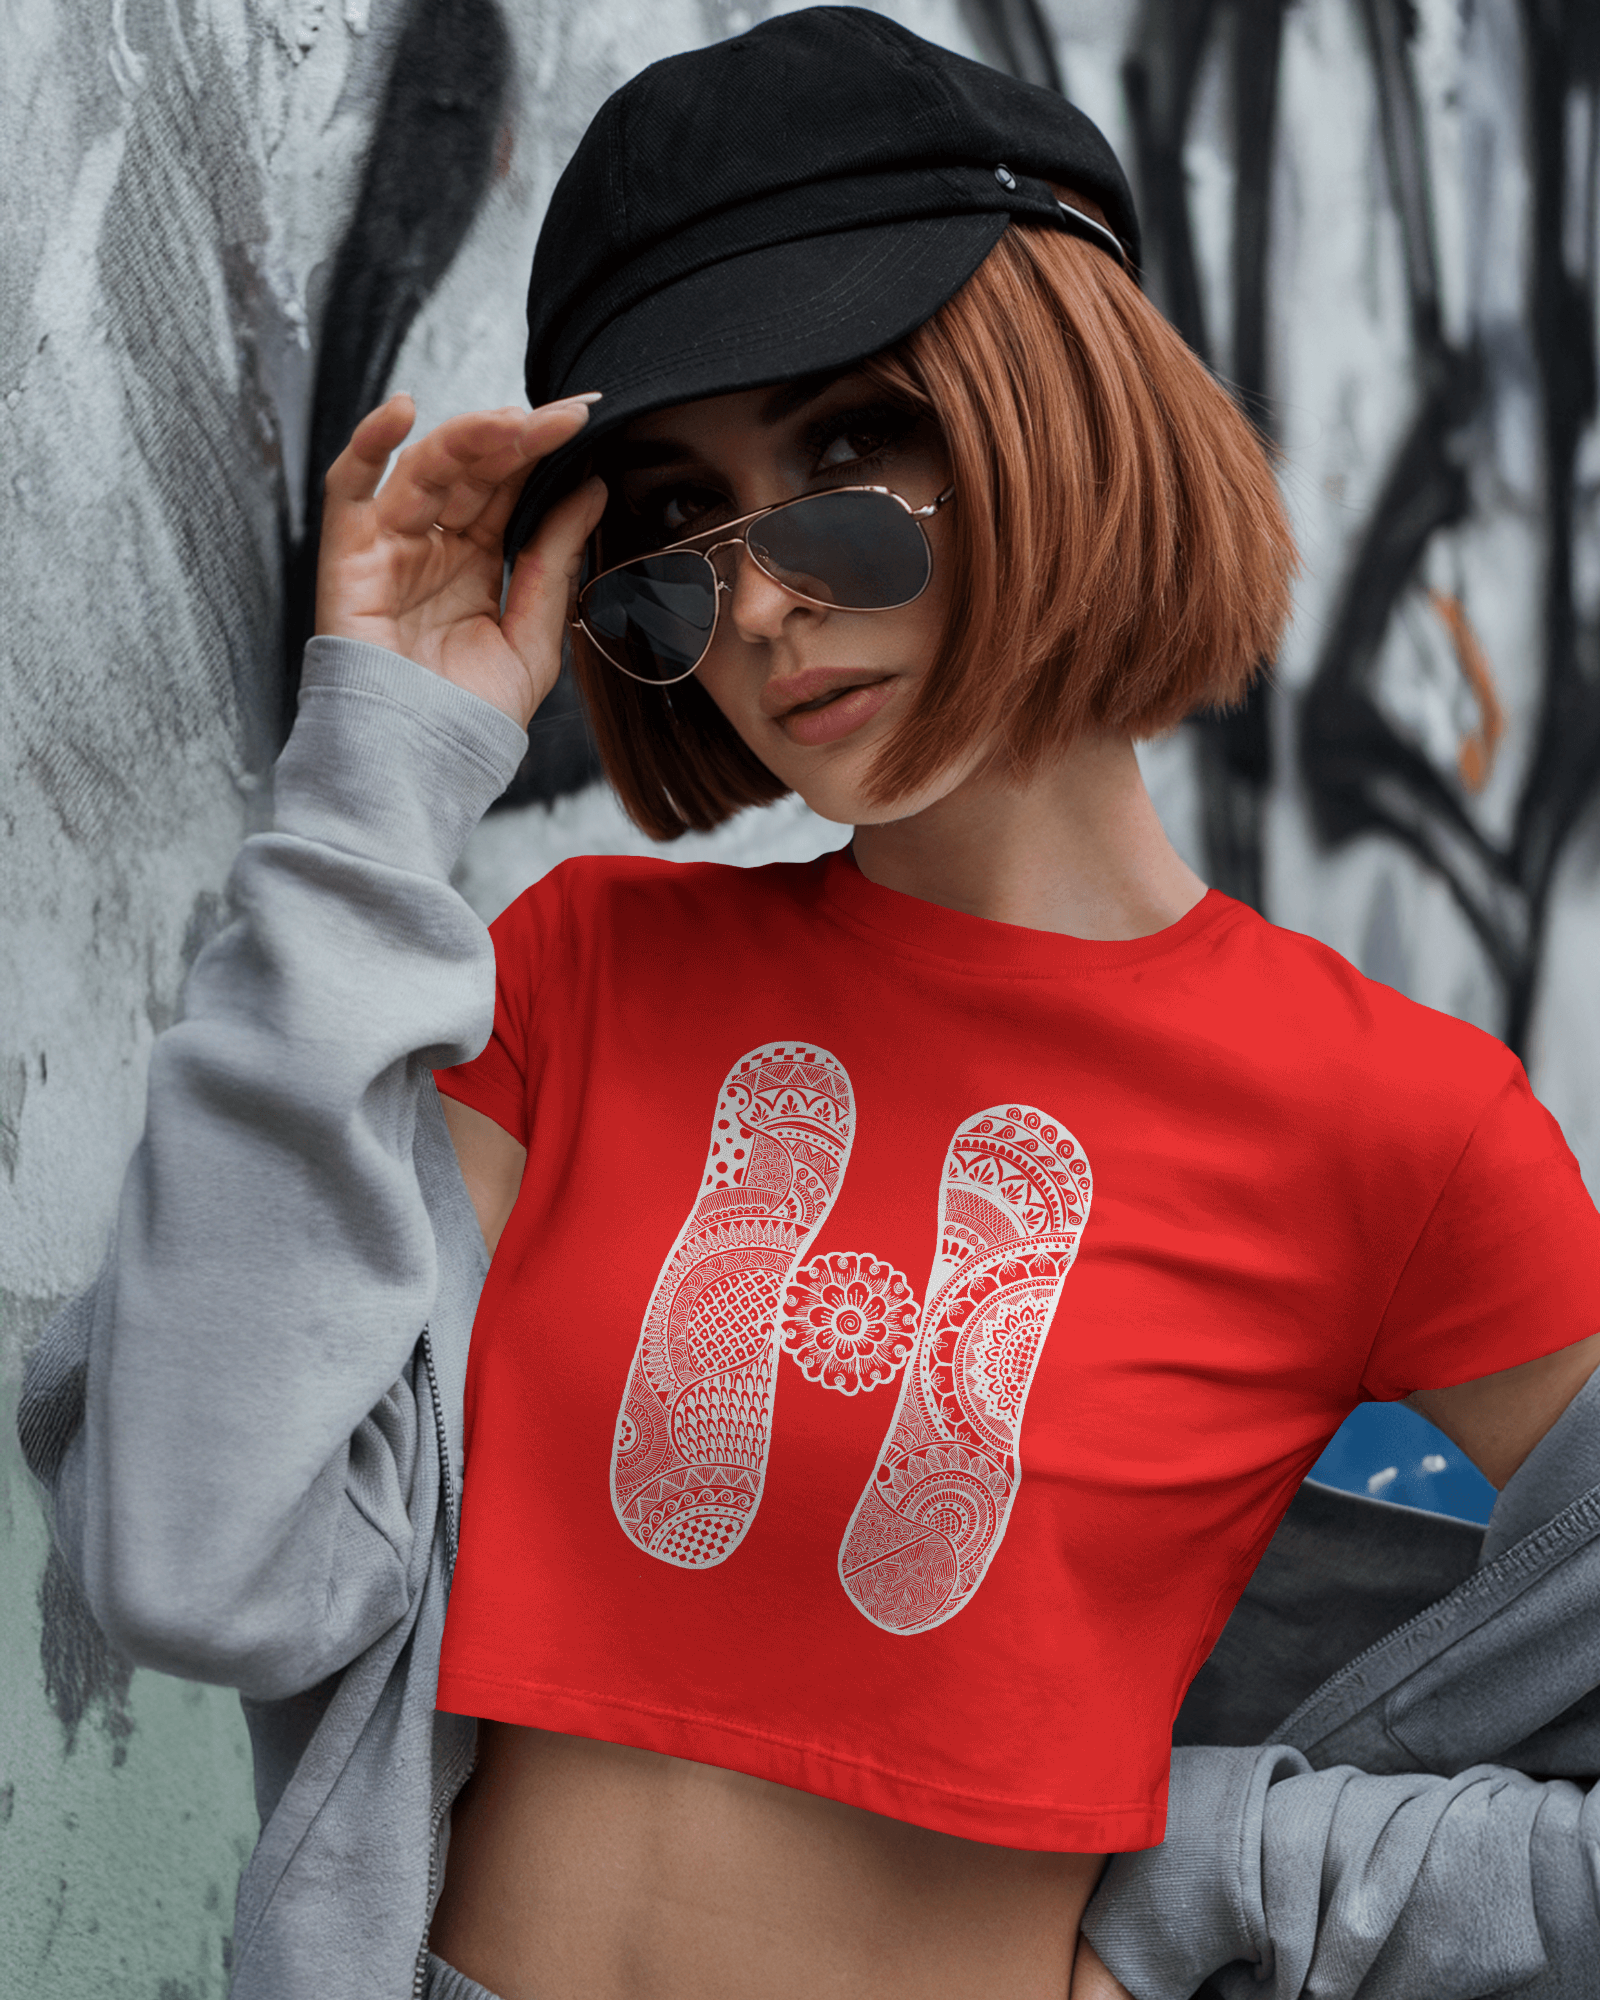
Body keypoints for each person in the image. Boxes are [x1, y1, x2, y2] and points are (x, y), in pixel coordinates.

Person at [17, 10, 1600, 1999]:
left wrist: (1240, 1873)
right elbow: (184, 1550)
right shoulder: (572, 975)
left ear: (1061, 410)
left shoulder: (1393, 1127)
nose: (759, 602)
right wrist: (370, 781)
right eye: (674, 524)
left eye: (848, 455)